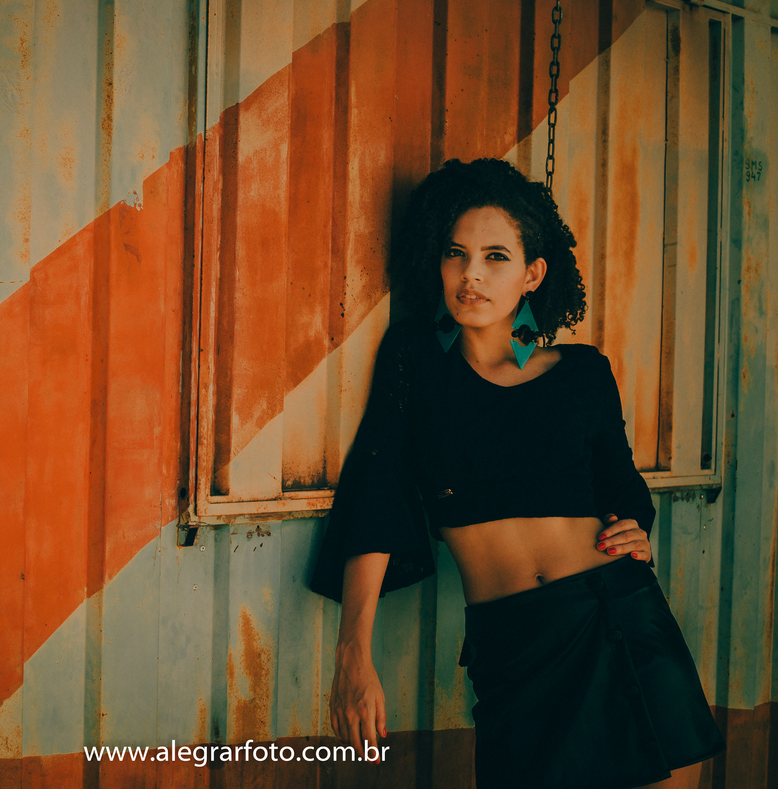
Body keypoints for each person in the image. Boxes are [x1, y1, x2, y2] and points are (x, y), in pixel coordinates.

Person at [308, 158, 725, 789]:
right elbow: (377, 494)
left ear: (533, 274)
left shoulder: (583, 372)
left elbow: (622, 486)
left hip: (621, 617)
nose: (471, 273)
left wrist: (637, 524)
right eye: (456, 253)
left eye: (496, 257)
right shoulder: (418, 362)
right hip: (515, 648)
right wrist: (352, 652)